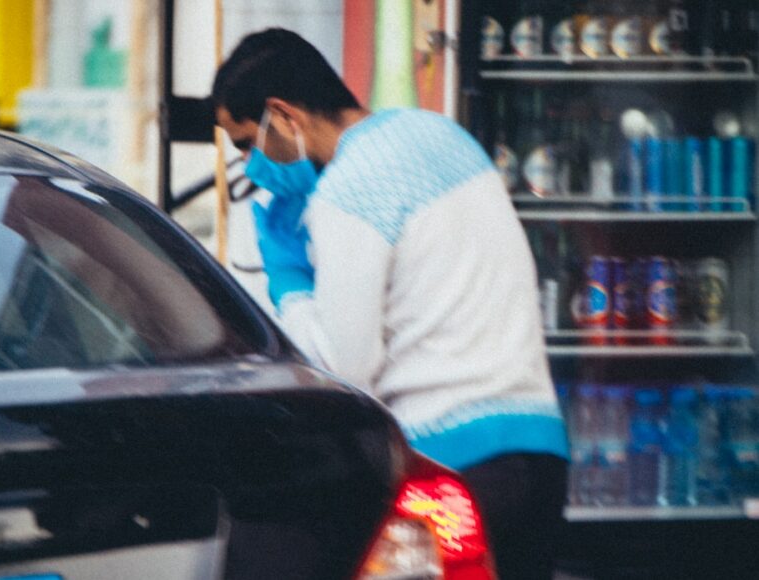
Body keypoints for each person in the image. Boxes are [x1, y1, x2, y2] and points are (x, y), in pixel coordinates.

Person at [211, 28, 570, 580]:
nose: (248, 165)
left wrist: (290, 282)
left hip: (451, 472)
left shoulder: (347, 191)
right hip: (540, 455)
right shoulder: (441, 135)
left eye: (244, 143)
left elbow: (344, 371)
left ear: (283, 116)